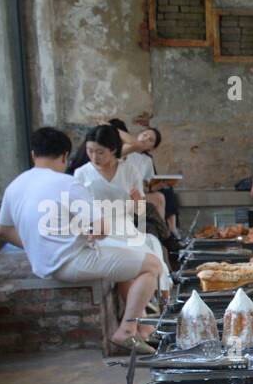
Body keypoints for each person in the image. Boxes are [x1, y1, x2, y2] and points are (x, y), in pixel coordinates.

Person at [0, 127, 162, 354]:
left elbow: (3, 231)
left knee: (131, 261)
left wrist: (37, 246)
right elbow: (101, 229)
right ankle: (127, 329)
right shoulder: (68, 183)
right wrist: (91, 233)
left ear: (33, 155)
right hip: (72, 260)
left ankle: (143, 327)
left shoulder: (14, 186)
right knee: (153, 265)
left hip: (43, 264)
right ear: (65, 155)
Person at [69, 124, 174, 296]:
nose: (94, 157)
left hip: (125, 226)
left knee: (152, 252)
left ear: (113, 150)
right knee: (134, 257)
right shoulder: (82, 173)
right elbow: (78, 212)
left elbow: (139, 211)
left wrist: (137, 202)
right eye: (90, 151)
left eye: (100, 152)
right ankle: (140, 310)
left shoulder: (129, 171)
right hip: (99, 231)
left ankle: (158, 302)